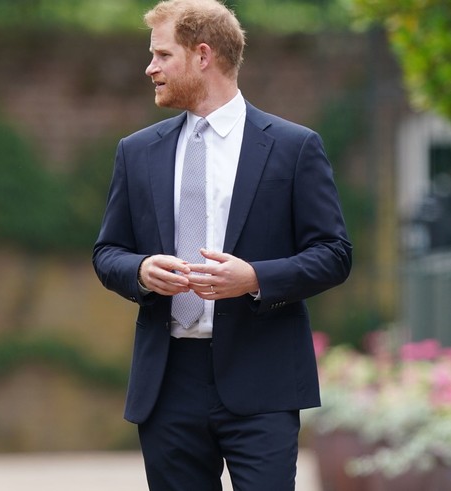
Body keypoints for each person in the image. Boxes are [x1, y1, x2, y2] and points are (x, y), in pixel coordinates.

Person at [92, 0, 352, 489]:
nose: (150, 68)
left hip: (264, 379)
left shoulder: (295, 147)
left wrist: (254, 279)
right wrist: (142, 269)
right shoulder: (136, 151)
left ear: (203, 55)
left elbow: (335, 255)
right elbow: (107, 253)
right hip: (167, 384)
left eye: (162, 55)